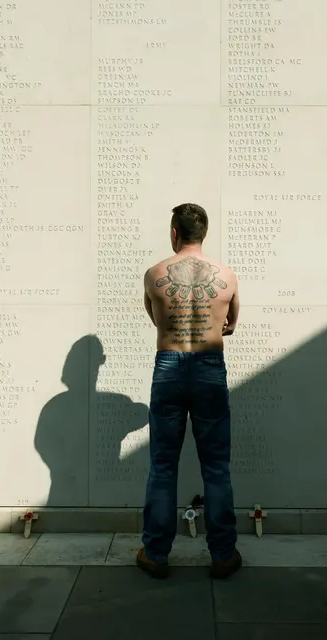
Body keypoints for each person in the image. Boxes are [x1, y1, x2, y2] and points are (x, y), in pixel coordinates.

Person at [136, 203, 242, 579]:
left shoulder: (153, 274)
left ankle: (156, 553)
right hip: (210, 368)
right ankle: (223, 555)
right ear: (203, 234)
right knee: (216, 467)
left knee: (163, 466)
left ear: (174, 233)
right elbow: (230, 323)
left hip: (168, 365)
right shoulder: (227, 276)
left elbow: (156, 317)